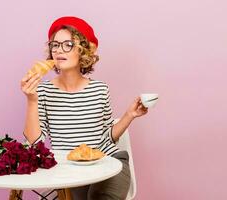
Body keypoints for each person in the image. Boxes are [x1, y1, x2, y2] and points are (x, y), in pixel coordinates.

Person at [21, 16, 148, 200]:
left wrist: (129, 115)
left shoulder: (100, 89)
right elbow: (35, 143)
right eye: (55, 45)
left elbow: (106, 138)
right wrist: (31, 101)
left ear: (82, 51)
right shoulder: (43, 91)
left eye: (67, 44)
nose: (58, 50)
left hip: (109, 162)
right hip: (69, 172)